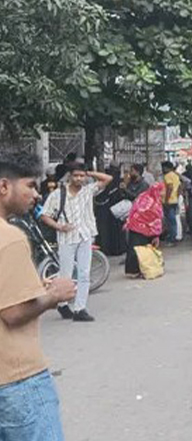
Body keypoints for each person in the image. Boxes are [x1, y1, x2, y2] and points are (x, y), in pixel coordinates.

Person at [0, 152, 78, 441]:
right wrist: (54, 295)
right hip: (18, 378)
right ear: (4, 186)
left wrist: (34, 287)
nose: (36, 194)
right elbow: (12, 313)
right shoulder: (9, 238)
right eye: (30, 185)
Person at [40, 162, 112, 322]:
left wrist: (89, 172)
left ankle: (80, 308)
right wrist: (59, 226)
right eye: (76, 175)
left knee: (84, 273)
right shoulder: (58, 194)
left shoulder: (88, 190)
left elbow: (108, 179)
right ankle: (62, 304)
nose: (79, 179)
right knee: (66, 274)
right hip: (67, 238)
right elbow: (45, 215)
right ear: (69, 176)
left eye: (81, 176)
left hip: (85, 235)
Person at [123, 182, 165, 279]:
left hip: (134, 226)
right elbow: (156, 220)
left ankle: (132, 271)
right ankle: (145, 269)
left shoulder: (142, 196)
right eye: (162, 191)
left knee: (134, 249)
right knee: (144, 250)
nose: (163, 193)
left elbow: (134, 210)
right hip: (146, 229)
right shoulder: (155, 203)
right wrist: (156, 235)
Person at [93, 164, 128, 258]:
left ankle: (106, 249)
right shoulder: (118, 183)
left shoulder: (106, 183)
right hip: (115, 211)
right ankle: (116, 249)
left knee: (105, 230)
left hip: (106, 211)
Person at [161, 161, 181, 246]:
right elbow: (179, 187)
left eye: (163, 168)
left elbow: (169, 187)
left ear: (166, 168)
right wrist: (177, 196)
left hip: (169, 201)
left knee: (170, 221)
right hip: (175, 200)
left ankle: (172, 239)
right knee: (173, 220)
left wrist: (166, 199)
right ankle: (174, 237)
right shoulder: (176, 175)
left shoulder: (167, 176)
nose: (162, 169)